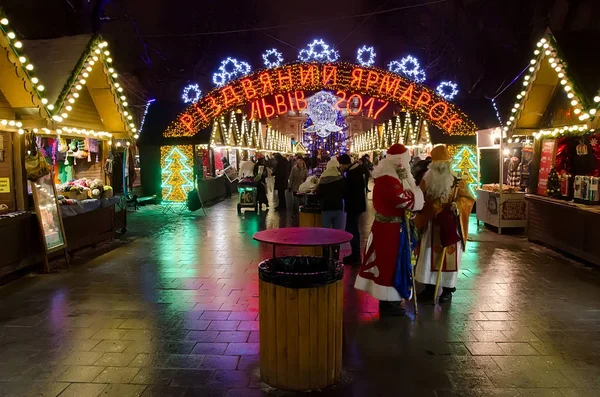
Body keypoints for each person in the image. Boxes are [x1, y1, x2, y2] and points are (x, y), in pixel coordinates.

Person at [354, 144, 424, 316]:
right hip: (389, 231)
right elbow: (404, 201)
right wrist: (417, 195)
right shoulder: (388, 180)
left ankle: (390, 298)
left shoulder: (391, 177)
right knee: (389, 263)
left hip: (391, 227)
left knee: (391, 262)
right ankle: (389, 299)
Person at [414, 146, 475, 303]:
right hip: (431, 226)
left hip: (450, 226)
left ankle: (448, 289)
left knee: (449, 258)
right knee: (428, 257)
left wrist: (457, 205)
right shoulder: (425, 181)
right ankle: (429, 287)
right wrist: (430, 208)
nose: (441, 169)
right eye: (437, 165)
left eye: (444, 165)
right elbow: (420, 201)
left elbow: (468, 199)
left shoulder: (457, 182)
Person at [338, 154, 366, 265]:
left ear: (344, 164)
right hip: (357, 205)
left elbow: (347, 190)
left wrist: (342, 177)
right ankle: (356, 254)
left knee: (351, 229)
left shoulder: (351, 173)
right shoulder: (356, 170)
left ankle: (355, 255)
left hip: (353, 205)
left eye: (341, 164)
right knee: (353, 229)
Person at [316, 157, 346, 259]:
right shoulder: (341, 179)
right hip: (338, 208)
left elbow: (318, 194)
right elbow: (344, 194)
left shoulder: (323, 179)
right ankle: (335, 257)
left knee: (325, 234)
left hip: (326, 209)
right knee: (337, 234)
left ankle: (325, 256)